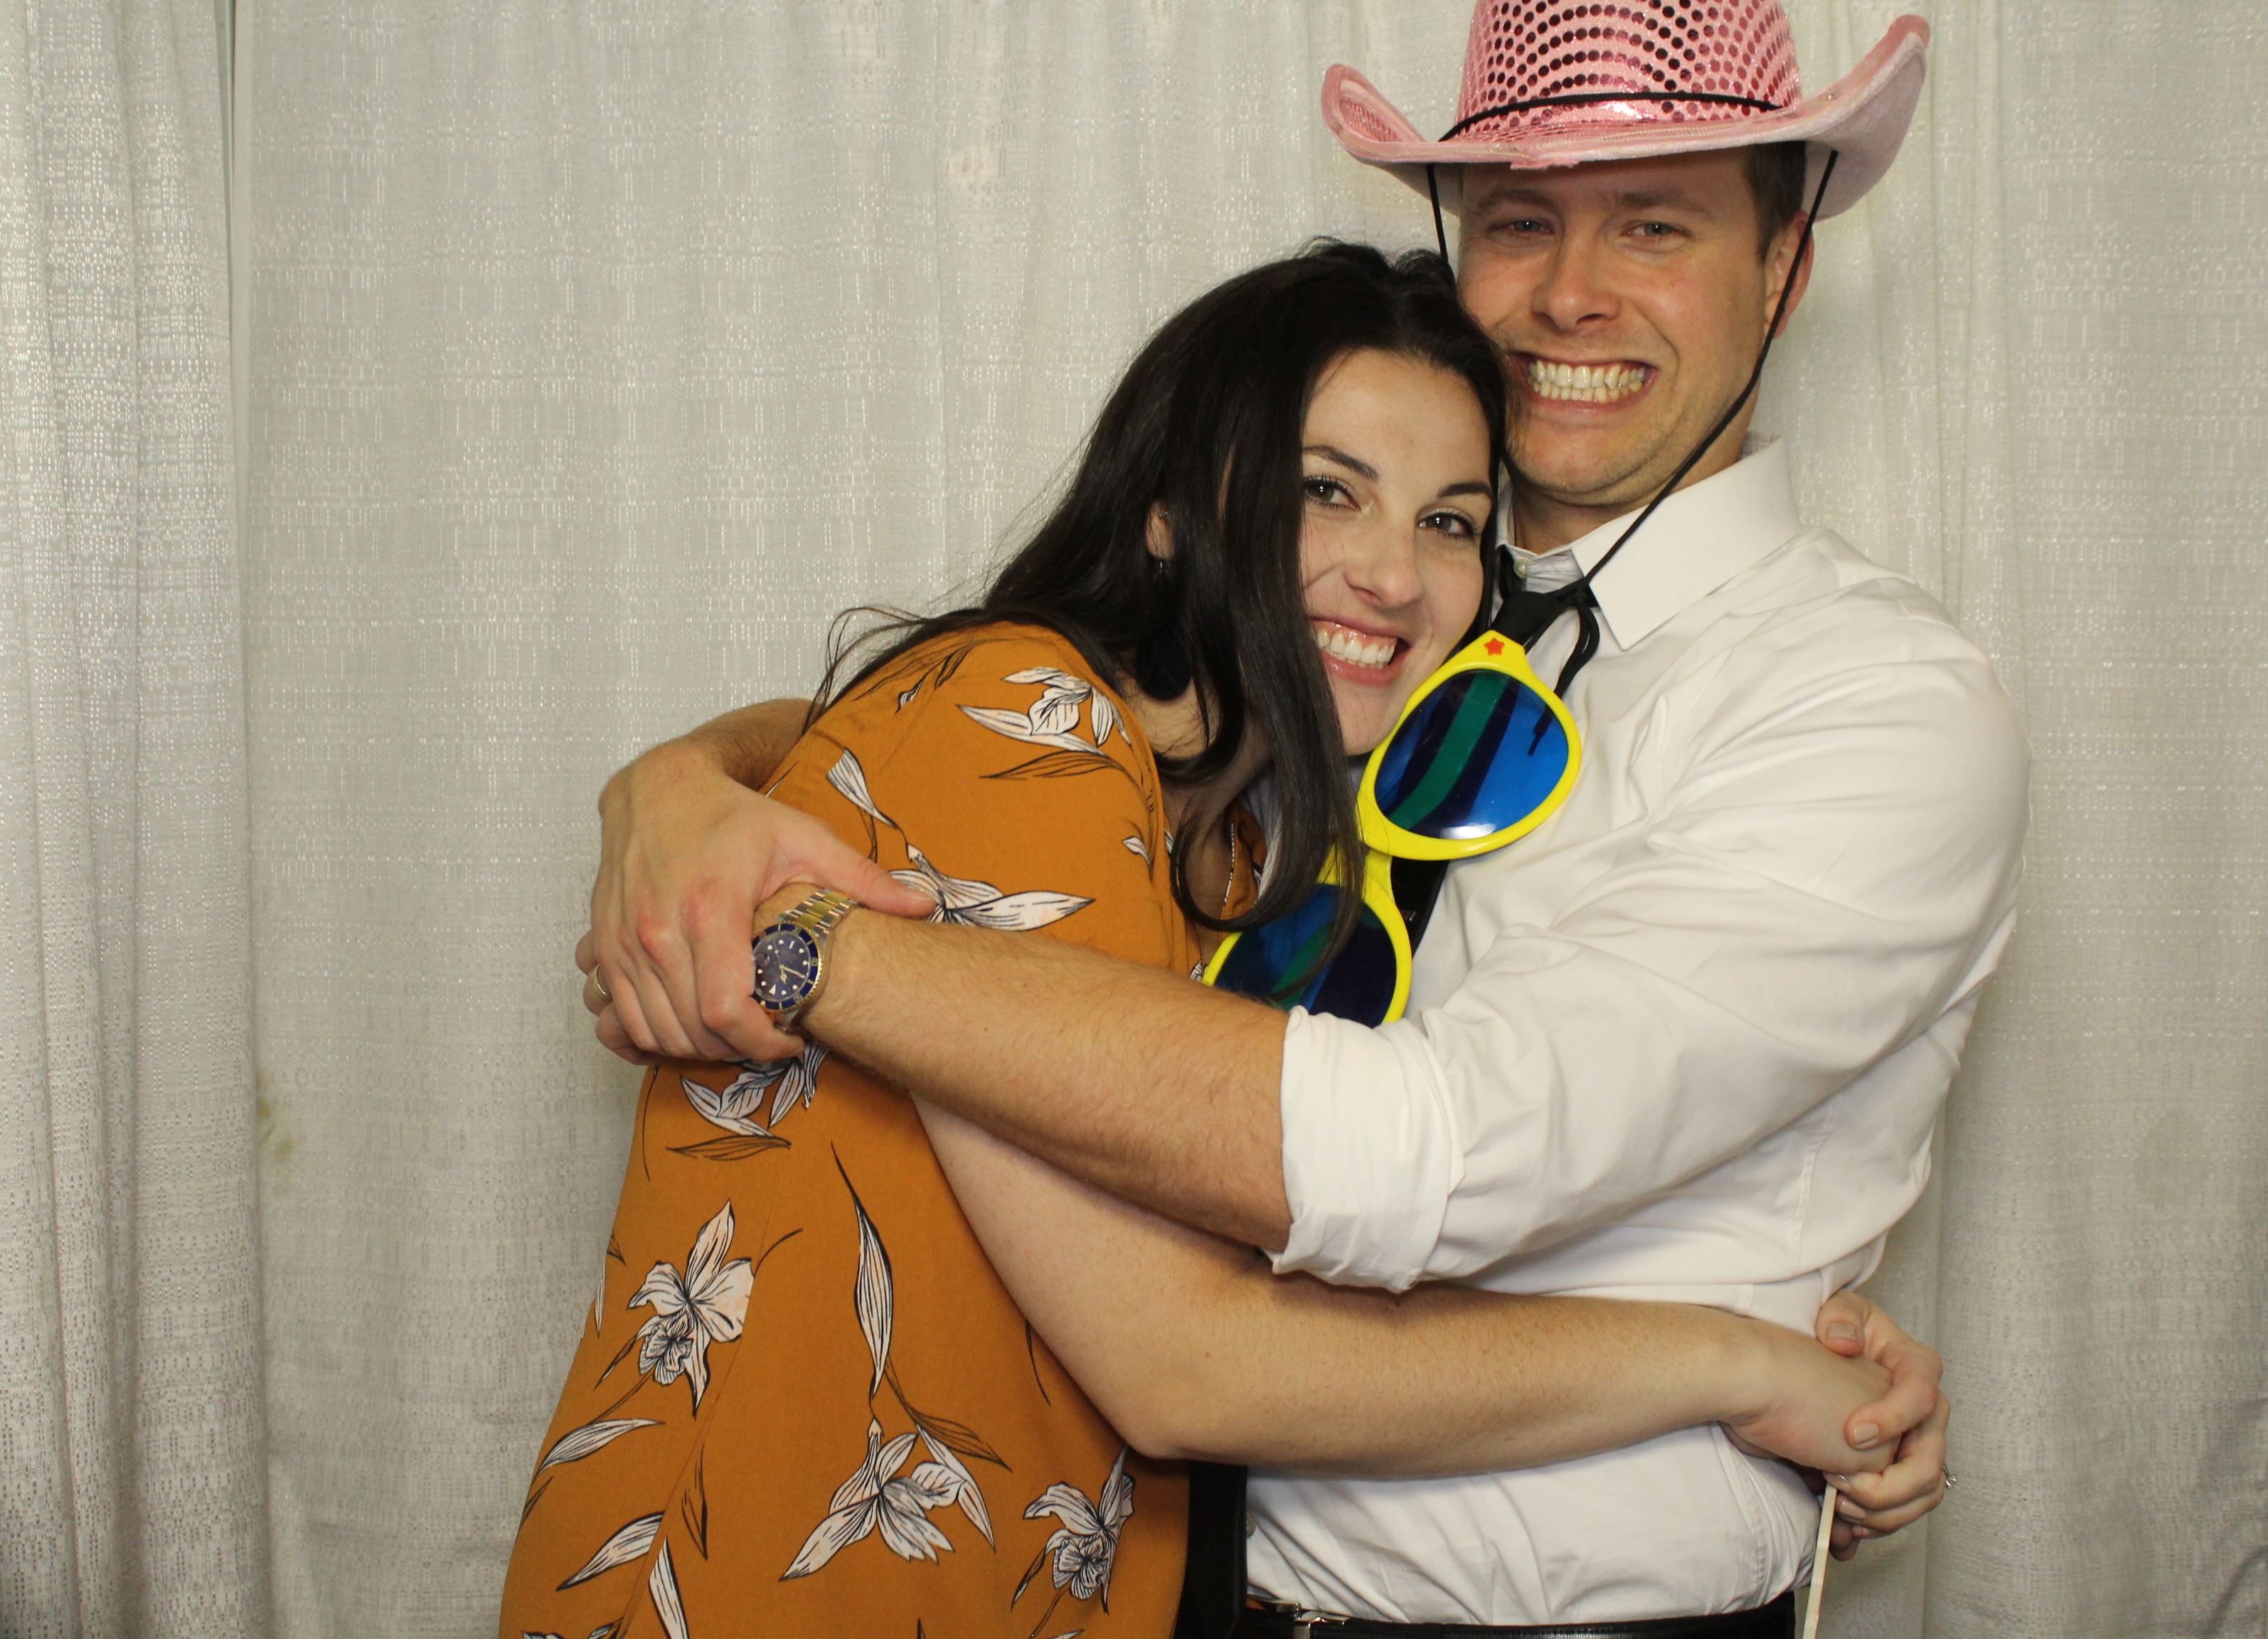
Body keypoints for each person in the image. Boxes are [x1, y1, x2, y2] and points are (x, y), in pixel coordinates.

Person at [579, 0, 2020, 1633]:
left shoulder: (1874, 702)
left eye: (1660, 225)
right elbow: (1041, 707)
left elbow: (1440, 1147)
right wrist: (695, 782)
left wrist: (797, 942)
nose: (1568, 293)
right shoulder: (1377, 633)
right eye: (1519, 220)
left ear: (1785, 271)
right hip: (1179, 1583)